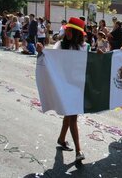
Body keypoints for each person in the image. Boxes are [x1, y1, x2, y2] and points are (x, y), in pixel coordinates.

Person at [37, 17, 88, 161]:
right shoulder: (60, 45)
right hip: (65, 86)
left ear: (77, 33)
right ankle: (79, 150)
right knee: (72, 117)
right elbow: (50, 59)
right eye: (67, 30)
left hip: (78, 86)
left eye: (70, 30)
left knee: (70, 115)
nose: (67, 32)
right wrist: (41, 52)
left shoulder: (85, 47)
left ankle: (61, 138)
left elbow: (90, 63)